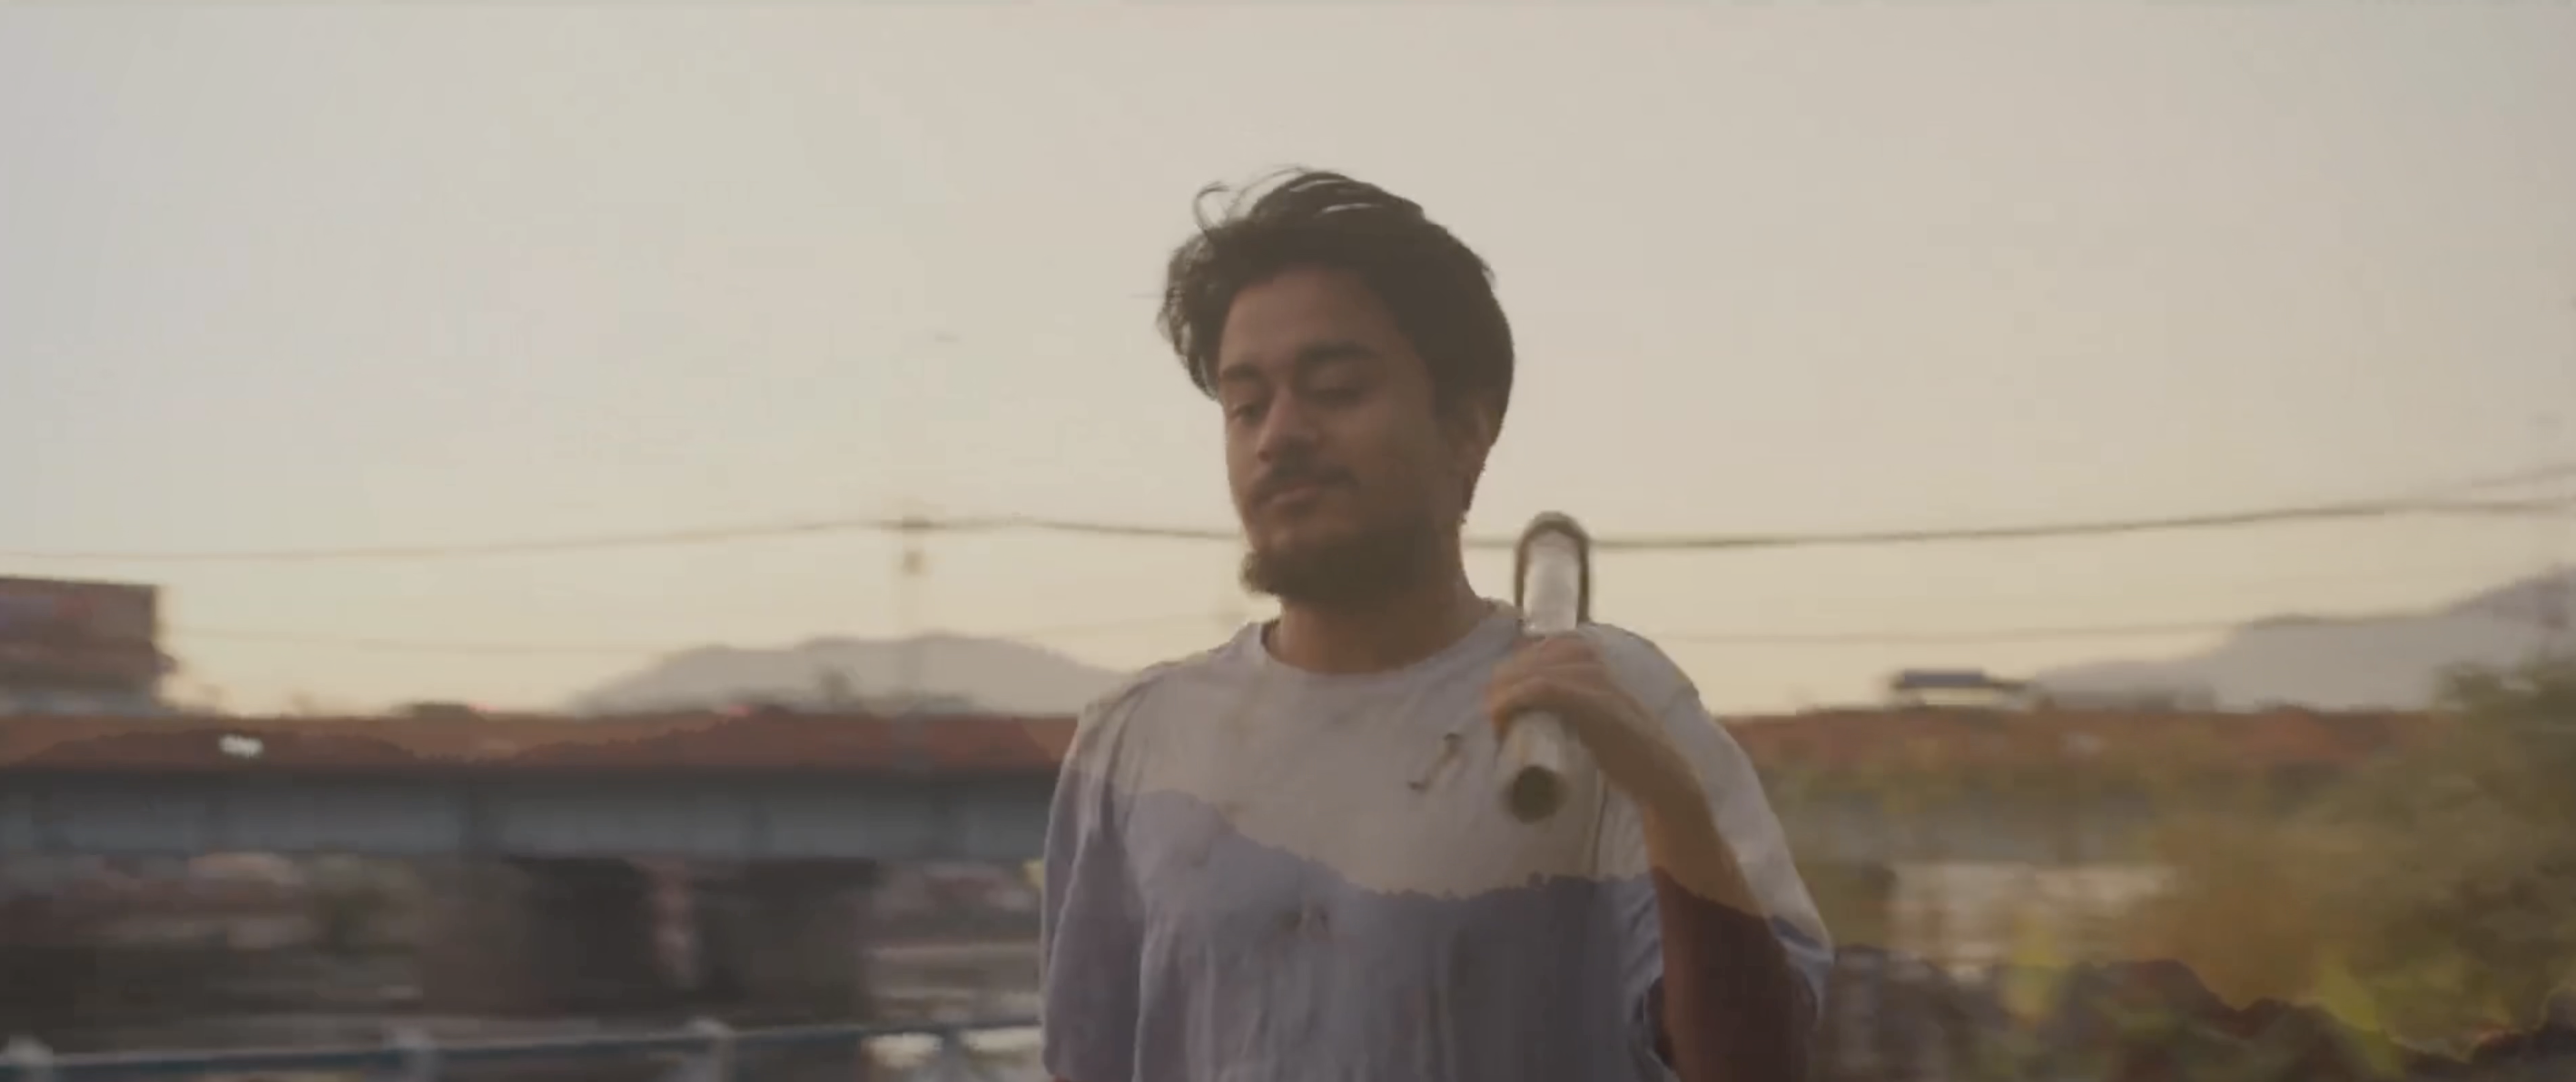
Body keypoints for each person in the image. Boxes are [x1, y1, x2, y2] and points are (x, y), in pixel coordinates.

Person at [1039, 168, 1831, 1082]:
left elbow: (1756, 1065)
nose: (1278, 436)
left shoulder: (1600, 703)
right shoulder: (1134, 743)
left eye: (1336, 389)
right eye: (1245, 405)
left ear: (1465, 431)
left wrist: (1670, 804)